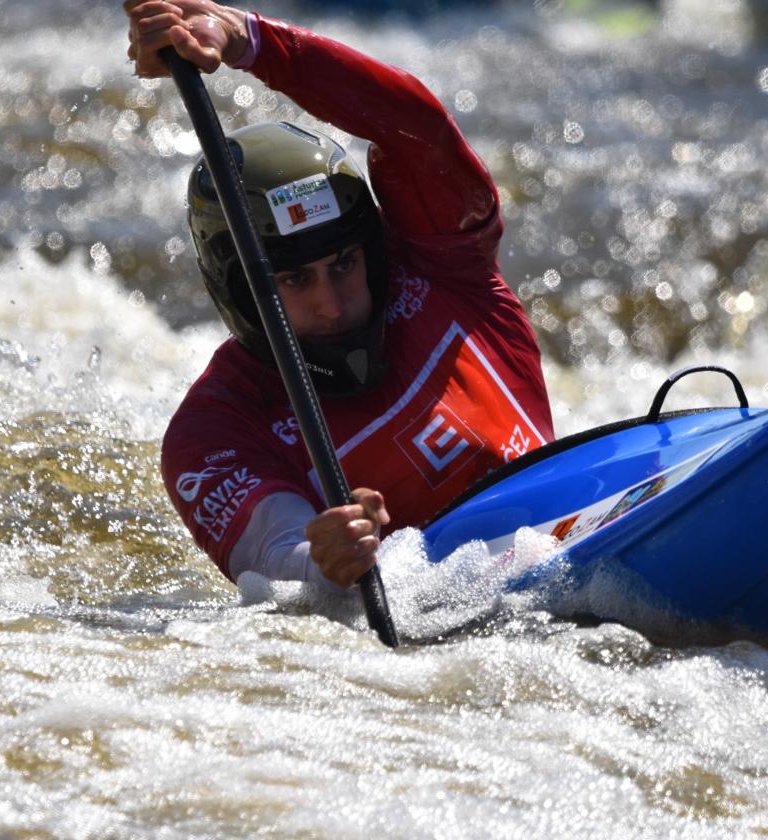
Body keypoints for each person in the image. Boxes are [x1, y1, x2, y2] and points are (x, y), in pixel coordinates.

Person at [125, 0, 555, 590]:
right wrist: (325, 562)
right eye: (295, 280)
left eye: (344, 264)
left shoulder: (447, 265)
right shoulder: (214, 429)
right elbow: (278, 552)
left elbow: (415, 127)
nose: (331, 303)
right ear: (244, 295)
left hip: (578, 540)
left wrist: (251, 40)